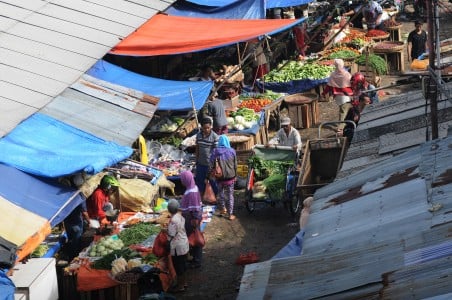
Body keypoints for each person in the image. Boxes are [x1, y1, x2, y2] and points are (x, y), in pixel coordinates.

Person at [209, 135, 238, 221]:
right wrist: (235, 175)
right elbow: (235, 165)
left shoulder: (215, 151)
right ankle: (230, 214)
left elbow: (210, 164)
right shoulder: (232, 151)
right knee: (230, 195)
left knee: (220, 193)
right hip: (230, 177)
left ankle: (223, 209)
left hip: (219, 177)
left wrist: (210, 175)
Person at [321, 59, 353, 134]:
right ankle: (341, 128)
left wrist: (323, 93)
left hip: (337, 97)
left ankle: (346, 123)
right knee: (343, 112)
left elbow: (328, 86)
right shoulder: (346, 74)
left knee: (343, 110)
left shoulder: (333, 74)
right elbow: (352, 84)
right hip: (345, 96)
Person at [179, 171, 203, 269]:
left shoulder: (191, 192)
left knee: (195, 239)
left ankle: (197, 261)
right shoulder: (193, 187)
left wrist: (195, 222)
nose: (181, 180)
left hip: (192, 219)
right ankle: (195, 258)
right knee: (193, 238)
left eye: (182, 179)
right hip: (191, 218)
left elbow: (195, 209)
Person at [167, 199, 189, 293]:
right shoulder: (179, 216)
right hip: (184, 243)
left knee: (179, 267)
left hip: (177, 247)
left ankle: (180, 286)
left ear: (169, 209)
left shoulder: (173, 221)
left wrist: (165, 231)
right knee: (183, 265)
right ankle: (184, 283)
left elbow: (171, 234)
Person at [195, 118, 219, 196]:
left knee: (212, 182)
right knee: (200, 181)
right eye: (205, 128)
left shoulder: (214, 136)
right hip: (200, 163)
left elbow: (216, 152)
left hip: (210, 164)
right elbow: (197, 147)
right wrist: (196, 160)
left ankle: (215, 197)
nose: (206, 129)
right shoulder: (198, 135)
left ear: (211, 126)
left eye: (208, 128)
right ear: (201, 127)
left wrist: (215, 165)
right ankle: (202, 197)